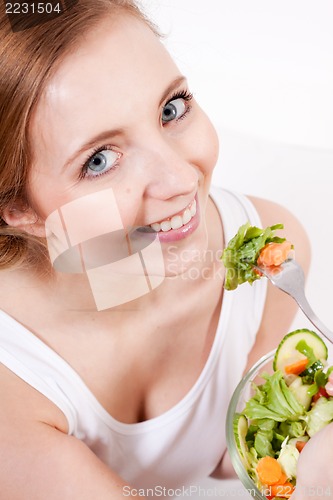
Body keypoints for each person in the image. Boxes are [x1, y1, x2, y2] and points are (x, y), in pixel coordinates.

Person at [0, 1, 312, 498]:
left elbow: (240, 453)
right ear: (20, 209)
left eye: (171, 109)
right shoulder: (13, 380)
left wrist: (310, 443)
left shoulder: (268, 253)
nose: (181, 179)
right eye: (100, 160)